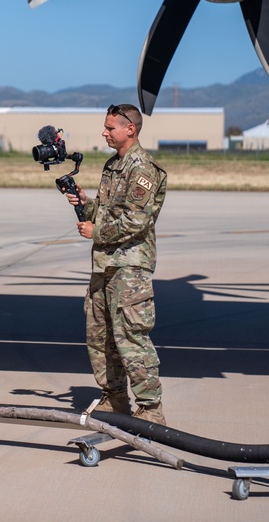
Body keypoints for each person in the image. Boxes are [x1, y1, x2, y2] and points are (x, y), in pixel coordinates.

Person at [62, 104, 168, 425]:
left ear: (129, 130)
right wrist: (85, 203)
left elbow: (136, 220)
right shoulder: (114, 165)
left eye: (110, 128)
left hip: (130, 268)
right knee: (100, 335)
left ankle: (151, 409)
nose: (104, 133)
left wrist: (97, 231)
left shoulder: (144, 169)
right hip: (104, 266)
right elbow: (109, 211)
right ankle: (116, 398)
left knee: (131, 336)